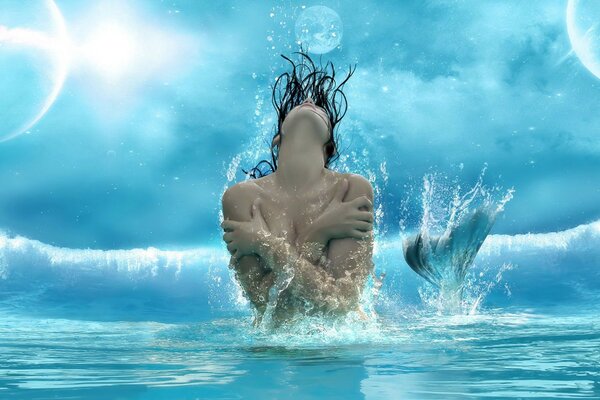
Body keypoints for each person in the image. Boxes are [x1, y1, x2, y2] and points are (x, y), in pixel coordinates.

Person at [220, 46, 375, 326]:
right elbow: (269, 307)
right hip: (272, 353)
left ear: (329, 146)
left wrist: (264, 243)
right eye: (298, 105)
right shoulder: (242, 197)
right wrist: (318, 235)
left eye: (319, 108)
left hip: (338, 354)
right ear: (278, 139)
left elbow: (339, 305)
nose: (306, 100)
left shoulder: (351, 189)